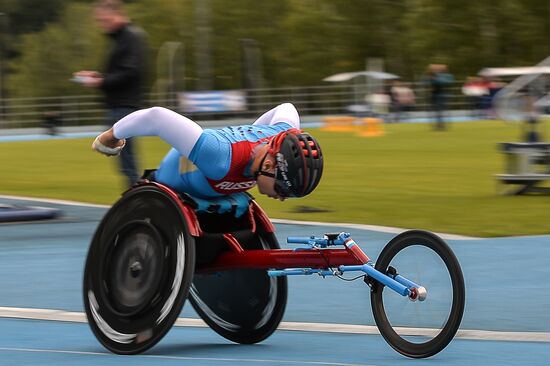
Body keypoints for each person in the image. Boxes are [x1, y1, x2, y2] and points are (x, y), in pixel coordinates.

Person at [92, 103, 324, 201]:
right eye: (283, 189)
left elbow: (287, 108)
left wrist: (255, 130)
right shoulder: (220, 157)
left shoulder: (284, 133)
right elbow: (156, 117)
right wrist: (110, 137)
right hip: (172, 185)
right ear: (269, 166)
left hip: (214, 185)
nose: (282, 198)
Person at [74, 0, 147, 187]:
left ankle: (140, 201)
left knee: (128, 163)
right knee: (125, 163)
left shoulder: (130, 37)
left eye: (104, 20)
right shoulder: (122, 39)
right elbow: (123, 70)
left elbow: (131, 71)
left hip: (124, 108)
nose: (102, 25)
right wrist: (99, 77)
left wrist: (101, 81)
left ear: (115, 14)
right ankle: (138, 199)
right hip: (119, 107)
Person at [425, 64, 454, 130]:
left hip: (441, 95)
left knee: (439, 111)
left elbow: (447, 82)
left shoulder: (446, 76)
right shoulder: (431, 75)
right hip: (434, 95)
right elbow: (427, 82)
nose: (437, 69)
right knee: (436, 111)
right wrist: (433, 80)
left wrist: (435, 80)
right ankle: (439, 124)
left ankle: (441, 124)